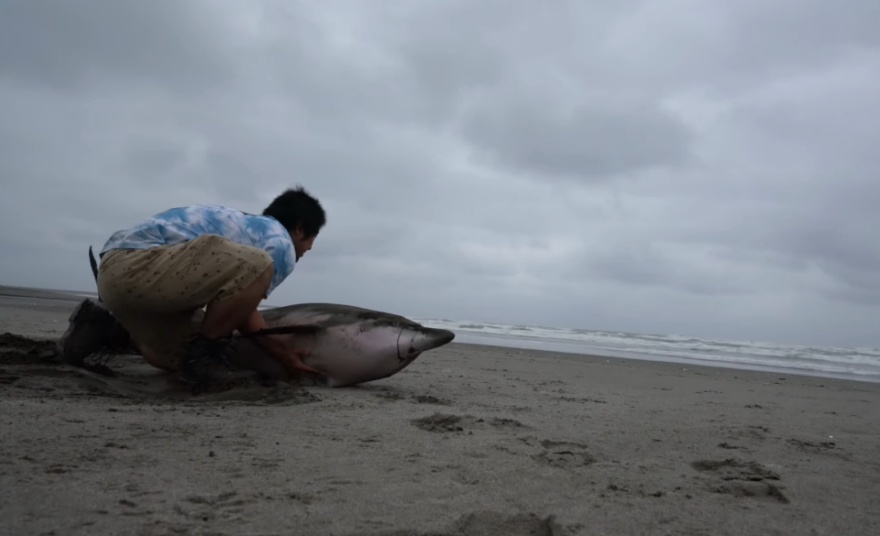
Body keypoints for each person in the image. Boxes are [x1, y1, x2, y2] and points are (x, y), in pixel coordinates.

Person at [60, 186, 327, 384]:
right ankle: (203, 360)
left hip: (120, 275)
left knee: (172, 357)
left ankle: (106, 328)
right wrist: (282, 352)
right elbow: (244, 314)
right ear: (300, 228)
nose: (308, 249)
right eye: (311, 240)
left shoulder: (243, 225)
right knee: (259, 264)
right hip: (138, 266)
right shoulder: (279, 240)